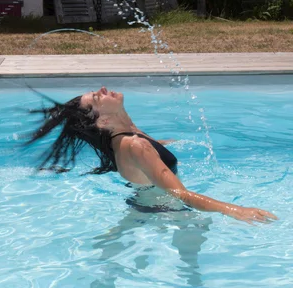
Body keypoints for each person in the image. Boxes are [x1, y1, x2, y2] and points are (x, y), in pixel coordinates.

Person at [27, 86, 278, 224]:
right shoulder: (135, 145)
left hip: (145, 202)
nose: (103, 89)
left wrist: (168, 143)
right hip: (166, 210)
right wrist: (234, 209)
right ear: (101, 120)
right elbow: (180, 194)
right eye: (96, 97)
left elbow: (150, 144)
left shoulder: (126, 131)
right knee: (192, 266)